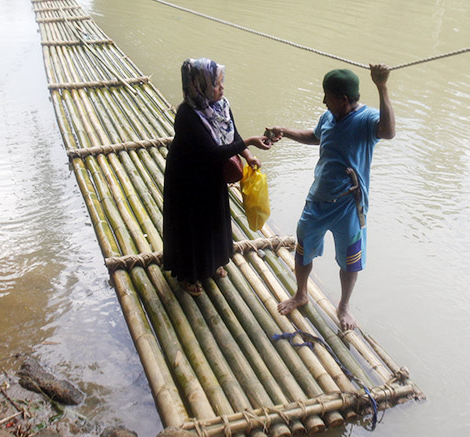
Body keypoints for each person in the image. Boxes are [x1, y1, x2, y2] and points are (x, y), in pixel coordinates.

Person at [269, 64, 395, 331]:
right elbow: (316, 137)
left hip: (349, 205)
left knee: (350, 260)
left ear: (344, 99)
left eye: (328, 95)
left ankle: (344, 306)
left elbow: (388, 131)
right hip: (318, 199)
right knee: (303, 248)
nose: (323, 100)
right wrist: (286, 132)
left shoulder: (366, 120)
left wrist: (382, 86)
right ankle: (301, 294)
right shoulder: (328, 117)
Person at [162, 58, 271, 296]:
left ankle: (211, 264)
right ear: (200, 86)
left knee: (213, 221)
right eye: (216, 84)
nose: (222, 88)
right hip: (188, 179)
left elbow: (232, 133)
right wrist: (250, 141)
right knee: (192, 226)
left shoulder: (220, 105)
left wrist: (248, 154)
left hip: (211, 178)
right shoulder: (187, 115)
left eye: (222, 83)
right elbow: (211, 153)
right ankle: (188, 274)